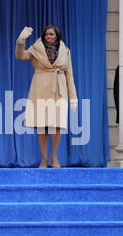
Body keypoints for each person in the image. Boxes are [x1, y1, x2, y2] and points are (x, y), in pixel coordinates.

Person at [15, 25, 78, 168]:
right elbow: (20, 56)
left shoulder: (65, 51)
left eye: (51, 34)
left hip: (59, 90)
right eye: (46, 34)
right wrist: (20, 41)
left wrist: (73, 96)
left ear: (57, 36)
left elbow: (70, 76)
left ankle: (54, 156)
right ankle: (44, 158)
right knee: (42, 125)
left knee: (57, 125)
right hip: (40, 88)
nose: (49, 36)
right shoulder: (35, 49)